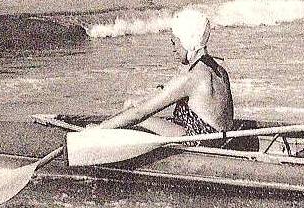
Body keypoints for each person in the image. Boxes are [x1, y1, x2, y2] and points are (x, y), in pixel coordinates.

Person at [89, 8, 234, 143]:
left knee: (132, 113)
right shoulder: (220, 70)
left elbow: (140, 113)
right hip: (221, 140)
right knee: (133, 106)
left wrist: (98, 130)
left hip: (201, 145)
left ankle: (101, 130)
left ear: (185, 40)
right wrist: (146, 98)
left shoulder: (191, 79)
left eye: (174, 42)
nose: (173, 49)